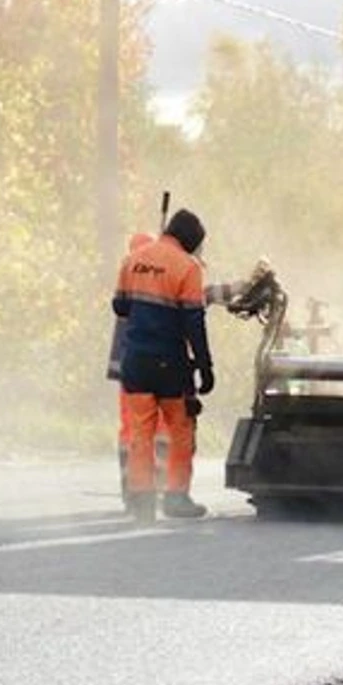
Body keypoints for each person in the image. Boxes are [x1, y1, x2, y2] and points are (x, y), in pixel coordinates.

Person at [107, 232, 269, 501]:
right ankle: (167, 493)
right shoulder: (166, 280)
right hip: (160, 367)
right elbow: (201, 301)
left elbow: (206, 295)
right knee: (170, 431)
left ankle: (138, 495)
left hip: (133, 372)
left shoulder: (134, 281)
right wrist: (203, 365)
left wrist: (243, 287)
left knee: (138, 434)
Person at [113, 210, 217, 522]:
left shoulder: (133, 259)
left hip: (135, 362)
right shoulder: (188, 267)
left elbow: (120, 305)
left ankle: (142, 501)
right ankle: (176, 497)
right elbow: (193, 321)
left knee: (141, 434)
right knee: (182, 429)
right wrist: (204, 365)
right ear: (190, 241)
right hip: (171, 364)